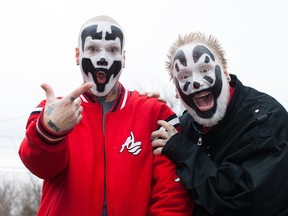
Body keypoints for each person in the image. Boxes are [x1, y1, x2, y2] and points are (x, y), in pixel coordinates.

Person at [18, 15, 195, 216]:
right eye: (93, 49)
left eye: (112, 50)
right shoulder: (53, 109)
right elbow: (41, 167)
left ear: (123, 57)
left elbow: (171, 199)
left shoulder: (156, 114)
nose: (102, 58)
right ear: (78, 54)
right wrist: (49, 130)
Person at [151, 32, 288, 216]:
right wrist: (148, 109)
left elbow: (246, 201)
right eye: (184, 76)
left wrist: (184, 151)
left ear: (225, 73)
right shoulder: (184, 127)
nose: (196, 82)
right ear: (176, 91)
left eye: (205, 69)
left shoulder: (265, 119)